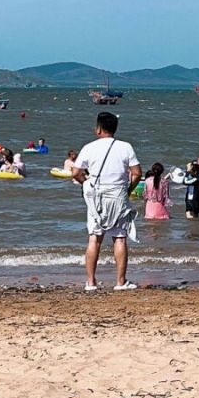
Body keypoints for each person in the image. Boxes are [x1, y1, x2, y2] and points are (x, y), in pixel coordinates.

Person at [71, 111, 141, 291]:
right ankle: (120, 281)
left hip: (96, 196)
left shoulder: (89, 147)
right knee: (119, 237)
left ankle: (91, 282)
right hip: (118, 195)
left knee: (94, 238)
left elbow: (76, 173)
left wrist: (85, 183)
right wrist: (128, 190)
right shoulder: (126, 147)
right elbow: (137, 173)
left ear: (99, 129)